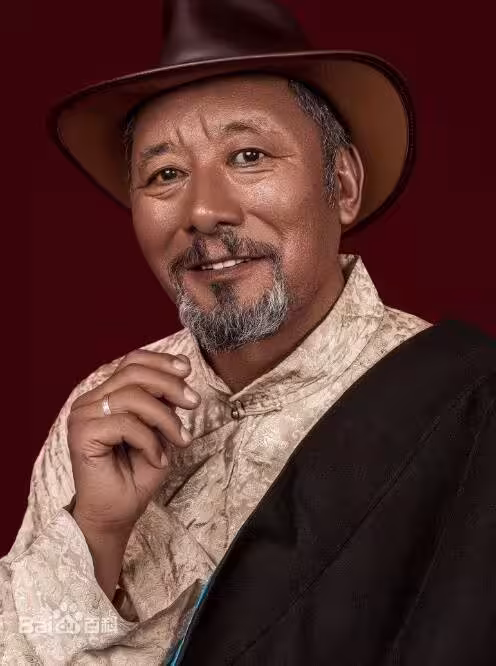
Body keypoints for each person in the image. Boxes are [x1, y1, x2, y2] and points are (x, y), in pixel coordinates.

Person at [3, 0, 495, 664]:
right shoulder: (100, 416)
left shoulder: (467, 408)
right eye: (165, 174)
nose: (204, 211)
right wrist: (95, 536)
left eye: (248, 155)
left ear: (342, 185)